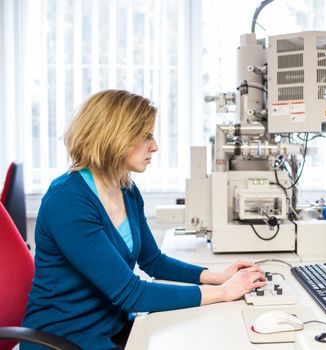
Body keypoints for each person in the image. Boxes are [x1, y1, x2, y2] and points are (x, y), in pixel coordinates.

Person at [22, 90, 267, 349]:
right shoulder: (68, 200)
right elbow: (131, 294)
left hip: (112, 328)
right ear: (115, 137)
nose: (155, 146)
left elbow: (154, 262)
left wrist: (216, 276)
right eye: (146, 136)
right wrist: (223, 293)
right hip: (65, 340)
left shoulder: (126, 189)